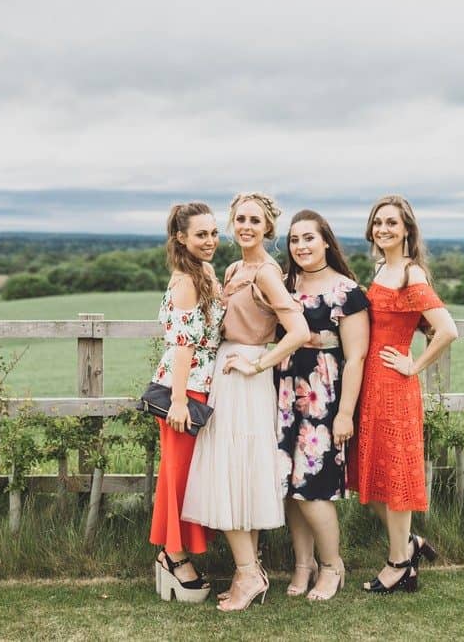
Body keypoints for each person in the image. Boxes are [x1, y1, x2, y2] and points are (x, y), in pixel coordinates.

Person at [182, 192, 311, 612]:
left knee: (233, 468)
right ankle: (248, 571)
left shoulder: (268, 273)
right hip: (228, 369)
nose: (246, 226)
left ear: (268, 228)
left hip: (246, 372)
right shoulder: (235, 267)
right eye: (239, 219)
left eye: (255, 220)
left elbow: (299, 331)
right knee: (236, 471)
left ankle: (249, 574)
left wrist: (259, 366)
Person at [347, 194, 458, 594]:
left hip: (395, 387)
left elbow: (447, 329)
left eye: (391, 223)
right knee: (371, 478)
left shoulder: (412, 275)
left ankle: (398, 563)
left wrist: (413, 365)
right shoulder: (381, 269)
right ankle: (409, 545)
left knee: (394, 480)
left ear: (407, 229)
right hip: (370, 386)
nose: (383, 229)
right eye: (378, 223)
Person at [275, 210, 369, 601]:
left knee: (313, 489)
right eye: (294, 240)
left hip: (323, 396)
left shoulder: (347, 292)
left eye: (308, 238)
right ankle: (303, 563)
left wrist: (345, 412)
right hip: (283, 393)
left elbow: (357, 356)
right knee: (290, 488)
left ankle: (332, 565)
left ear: (326, 241)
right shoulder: (283, 286)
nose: (301, 246)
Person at [149, 202, 225, 603]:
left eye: (213, 233)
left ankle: (173, 554)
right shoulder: (185, 281)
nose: (210, 240)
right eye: (201, 234)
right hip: (185, 392)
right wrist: (179, 400)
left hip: (200, 388)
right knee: (177, 477)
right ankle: (174, 556)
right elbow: (182, 345)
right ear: (181, 238)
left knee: (185, 475)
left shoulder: (205, 272)